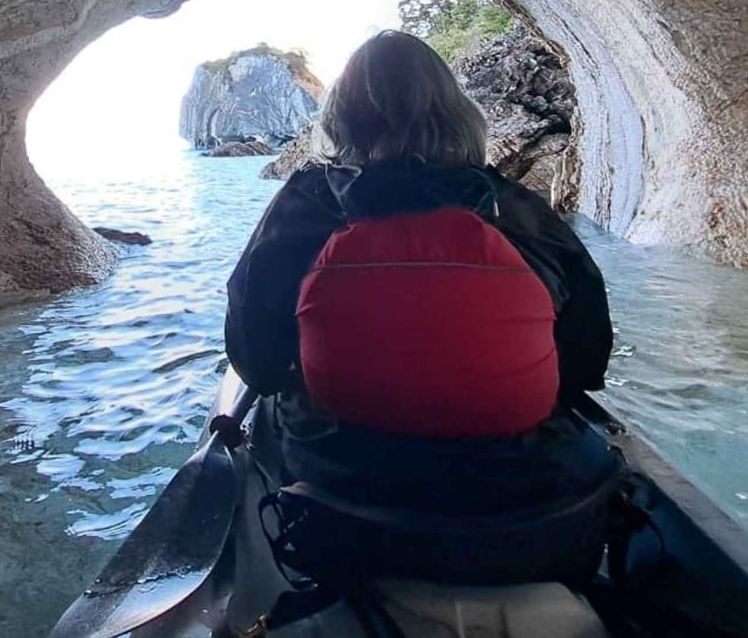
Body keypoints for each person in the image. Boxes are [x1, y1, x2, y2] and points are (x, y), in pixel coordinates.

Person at [225, 30, 618, 585]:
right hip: (529, 504)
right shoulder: (519, 209)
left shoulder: (306, 203)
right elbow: (584, 364)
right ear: (460, 116)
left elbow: (255, 362)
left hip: (347, 500)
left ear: (338, 123)